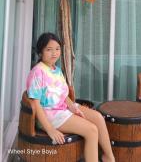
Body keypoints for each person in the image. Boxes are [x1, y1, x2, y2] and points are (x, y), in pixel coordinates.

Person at [26, 32, 115, 162]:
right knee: (92, 130)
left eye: (57, 49)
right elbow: (36, 105)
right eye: (49, 49)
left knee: (98, 118)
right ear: (40, 52)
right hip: (50, 115)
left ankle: (108, 157)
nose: (54, 53)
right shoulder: (37, 72)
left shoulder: (55, 69)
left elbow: (63, 94)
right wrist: (50, 130)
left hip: (63, 109)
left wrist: (73, 107)